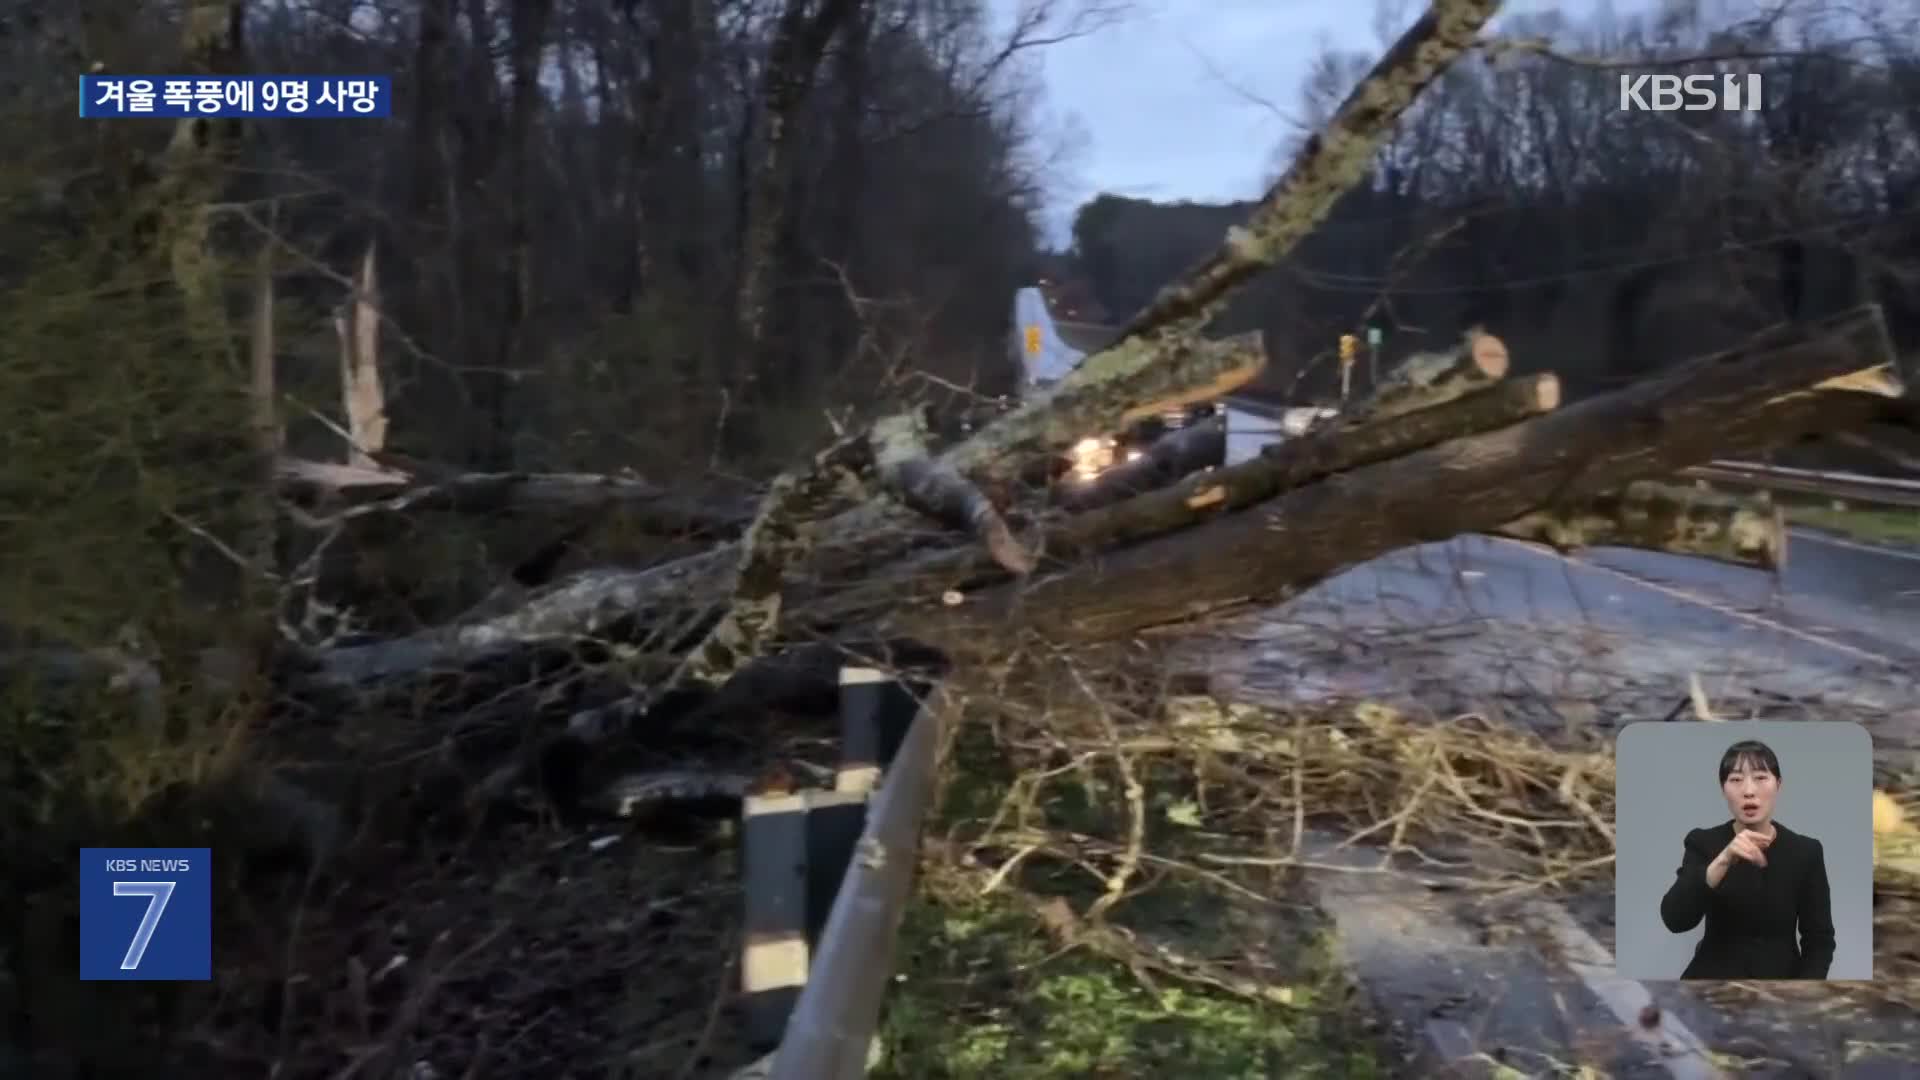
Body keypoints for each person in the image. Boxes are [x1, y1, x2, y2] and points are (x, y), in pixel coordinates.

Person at [1658, 739, 1834, 979]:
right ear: (1723, 789)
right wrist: (1723, 860)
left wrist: (1802, 992)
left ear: (1778, 785)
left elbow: (1819, 941)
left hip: (1780, 988)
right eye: (1736, 780)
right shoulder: (1703, 842)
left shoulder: (1806, 851)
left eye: (1761, 777)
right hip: (1713, 984)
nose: (1749, 791)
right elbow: (1675, 920)